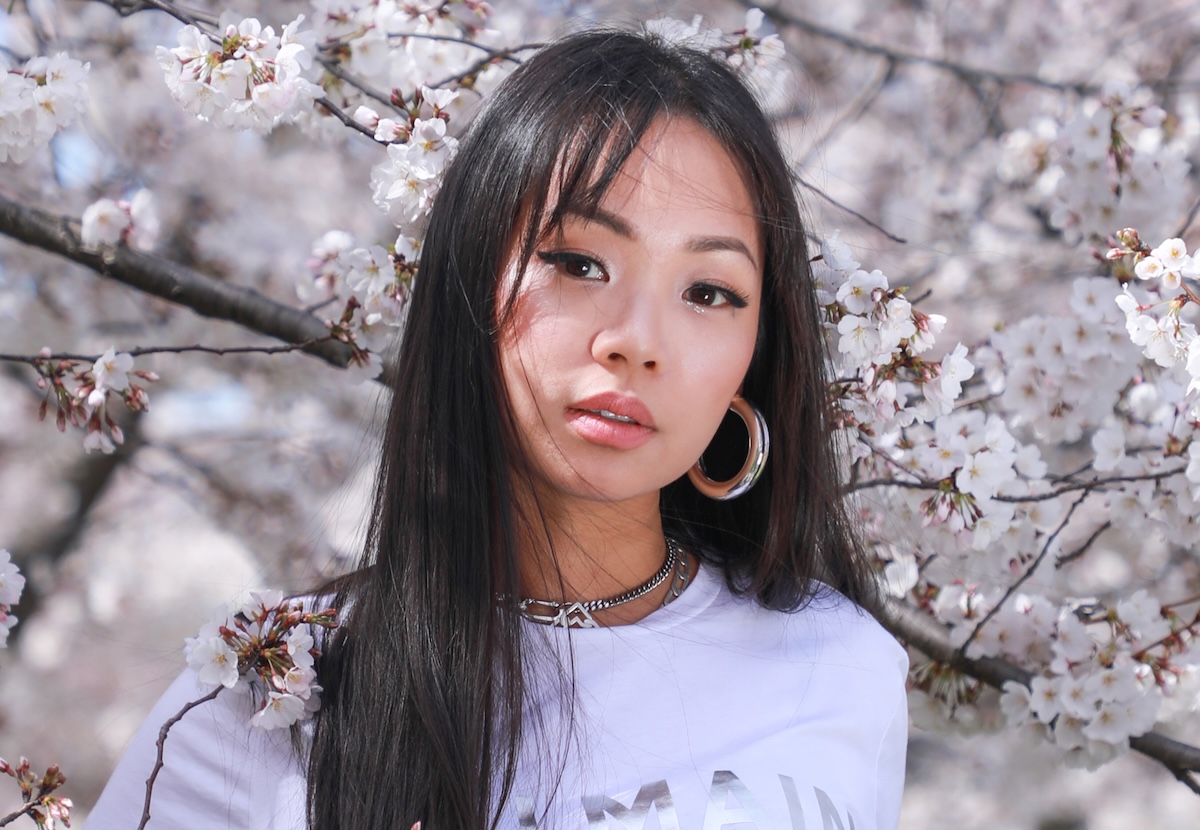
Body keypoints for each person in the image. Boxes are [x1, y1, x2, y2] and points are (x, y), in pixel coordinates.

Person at [87, 26, 908, 830]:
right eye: (579, 263)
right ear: (470, 281)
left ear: (755, 353)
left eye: (709, 292)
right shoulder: (271, 692)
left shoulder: (838, 665)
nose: (638, 340)